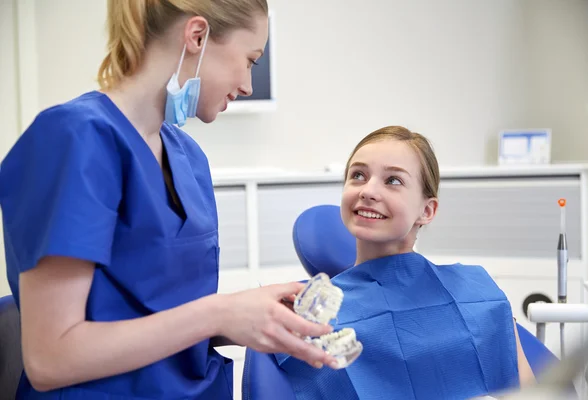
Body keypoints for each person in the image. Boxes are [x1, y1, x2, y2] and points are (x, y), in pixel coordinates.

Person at [0, 0, 338, 398]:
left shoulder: (188, 157)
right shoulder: (74, 139)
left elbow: (166, 322)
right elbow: (49, 359)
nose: (247, 85)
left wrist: (248, 317)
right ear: (197, 36)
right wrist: (218, 312)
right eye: (250, 60)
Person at [275, 126, 536, 400]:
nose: (368, 190)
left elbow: (529, 393)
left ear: (427, 210)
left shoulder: (478, 294)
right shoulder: (308, 316)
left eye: (393, 181)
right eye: (358, 175)